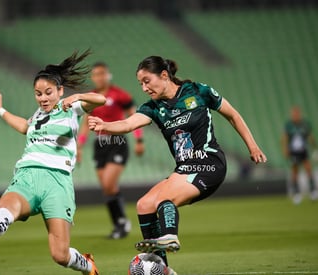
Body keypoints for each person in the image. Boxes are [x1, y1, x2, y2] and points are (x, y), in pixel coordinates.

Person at [88, 56, 267, 274]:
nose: (144, 88)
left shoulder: (198, 91)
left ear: (164, 75)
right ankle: (163, 269)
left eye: (147, 81)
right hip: (184, 169)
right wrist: (105, 125)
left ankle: (170, 235)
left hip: (209, 162)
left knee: (165, 199)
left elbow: (233, 115)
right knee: (144, 205)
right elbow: (128, 123)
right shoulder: (153, 108)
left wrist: (253, 147)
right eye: (140, 84)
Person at [0, 51, 106, 275]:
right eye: (38, 94)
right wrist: (0, 109)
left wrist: (76, 97)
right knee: (8, 203)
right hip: (27, 174)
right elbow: (24, 126)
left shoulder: (70, 108)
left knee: (60, 255)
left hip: (57, 181)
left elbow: (102, 100)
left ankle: (87, 265)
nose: (43, 98)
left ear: (60, 91)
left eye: (48, 93)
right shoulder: (38, 115)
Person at [77, 62, 144, 239]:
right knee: (107, 188)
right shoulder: (91, 97)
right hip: (99, 144)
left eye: (102, 74)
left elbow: (133, 115)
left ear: (108, 75)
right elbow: (85, 123)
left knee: (108, 183)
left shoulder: (119, 94)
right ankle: (119, 224)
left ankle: (122, 222)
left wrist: (139, 139)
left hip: (117, 141)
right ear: (92, 77)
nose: (99, 77)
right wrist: (79, 146)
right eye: (95, 74)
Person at [281, 106, 317, 204]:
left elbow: (310, 136)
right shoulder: (289, 125)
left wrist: (315, 147)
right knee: (295, 172)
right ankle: (297, 193)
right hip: (294, 151)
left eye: (296, 114)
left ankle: (313, 191)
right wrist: (285, 149)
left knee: (309, 169)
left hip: (304, 150)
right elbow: (284, 138)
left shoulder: (305, 124)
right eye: (293, 114)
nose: (295, 116)